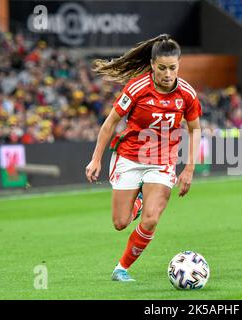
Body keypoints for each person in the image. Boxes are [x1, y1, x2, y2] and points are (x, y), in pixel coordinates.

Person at [85, 34, 202, 281]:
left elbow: (195, 129)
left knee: (151, 220)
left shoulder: (187, 94)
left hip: (162, 162)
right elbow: (109, 124)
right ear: (152, 65)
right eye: (162, 68)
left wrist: (189, 168)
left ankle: (121, 268)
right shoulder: (137, 88)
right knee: (120, 222)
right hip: (129, 157)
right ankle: (137, 201)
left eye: (173, 68)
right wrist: (96, 159)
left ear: (179, 65)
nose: (168, 74)